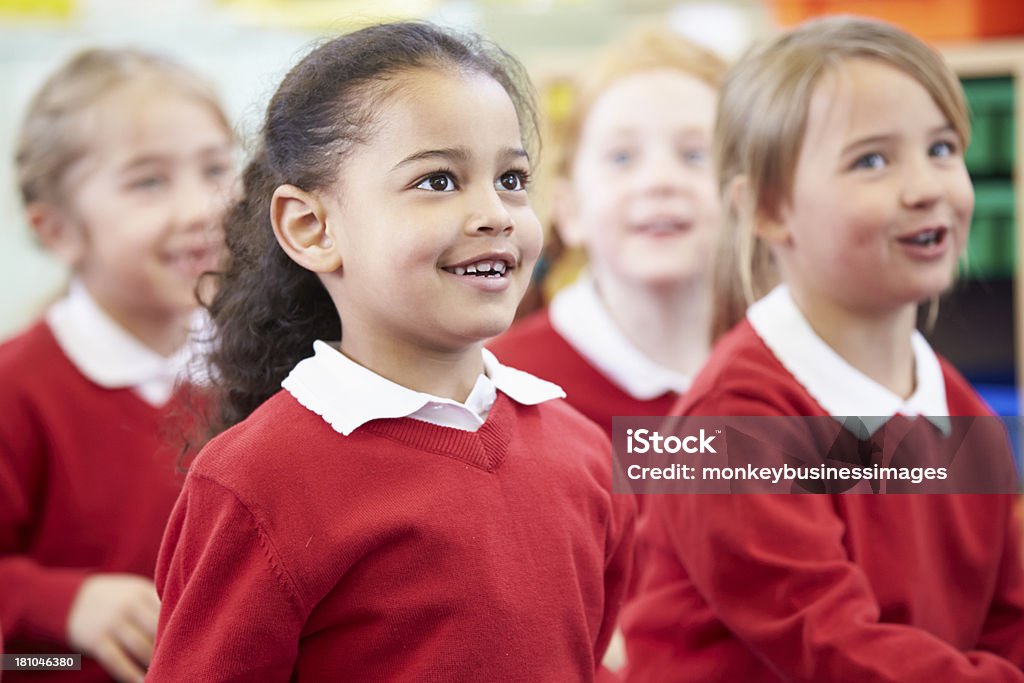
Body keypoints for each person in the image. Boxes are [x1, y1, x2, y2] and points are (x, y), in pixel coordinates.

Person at [147, 22, 634, 682]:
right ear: (311, 227)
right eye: (439, 181)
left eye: (512, 178)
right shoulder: (255, 481)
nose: (495, 212)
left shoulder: (581, 454)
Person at [621, 16, 1024, 682]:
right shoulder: (732, 422)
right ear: (770, 210)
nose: (927, 186)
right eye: (872, 159)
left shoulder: (960, 409)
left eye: (943, 149)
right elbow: (834, 649)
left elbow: (1009, 618)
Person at [0, 49, 235, 683]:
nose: (200, 209)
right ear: (58, 232)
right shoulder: (15, 389)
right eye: (149, 182)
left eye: (216, 168)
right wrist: (62, 609)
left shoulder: (263, 368)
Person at [489, 26, 727, 439]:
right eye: (621, 156)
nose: (659, 180)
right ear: (570, 207)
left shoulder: (806, 365)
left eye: (695, 154)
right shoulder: (500, 387)